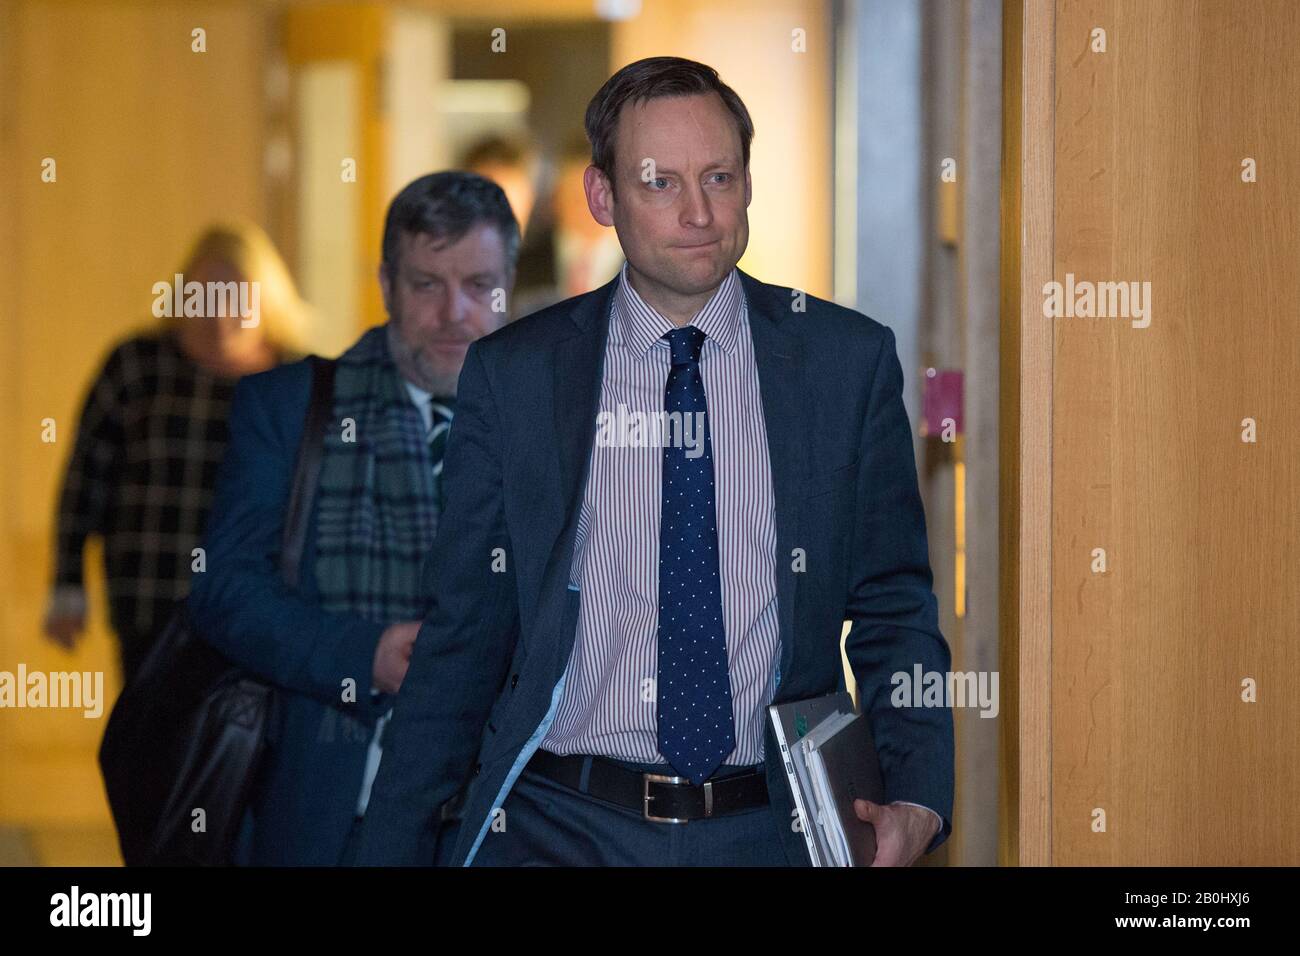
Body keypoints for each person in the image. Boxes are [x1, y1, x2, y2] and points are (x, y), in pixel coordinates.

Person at [357, 57, 953, 867]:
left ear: (747, 181)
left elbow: (892, 601)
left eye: (719, 176)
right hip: (557, 828)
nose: (700, 213)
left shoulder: (843, 363)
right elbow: (466, 636)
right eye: (661, 184)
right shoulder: (520, 377)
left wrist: (918, 795)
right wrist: (389, 846)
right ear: (603, 197)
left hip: (771, 830)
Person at [186, 172, 518, 866]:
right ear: (387, 285)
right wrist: (363, 654)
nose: (454, 312)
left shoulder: (551, 422)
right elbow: (223, 591)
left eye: (478, 285)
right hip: (332, 809)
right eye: (426, 284)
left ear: (507, 288)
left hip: (507, 817)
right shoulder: (289, 407)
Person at [44, 222, 310, 685]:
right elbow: (85, 479)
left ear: (266, 305)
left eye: (237, 298)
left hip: (263, 614)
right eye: (203, 296)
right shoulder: (137, 366)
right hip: (151, 606)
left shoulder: (298, 384)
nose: (218, 315)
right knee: (152, 748)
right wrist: (67, 586)